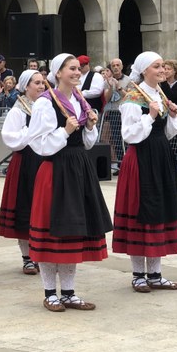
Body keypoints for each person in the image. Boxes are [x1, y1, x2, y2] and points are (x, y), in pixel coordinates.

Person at [28, 53, 112, 312]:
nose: (77, 72)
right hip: (56, 169)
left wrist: (88, 128)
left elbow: (87, 143)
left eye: (78, 69)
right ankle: (49, 292)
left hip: (78, 167)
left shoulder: (79, 100)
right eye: (72, 69)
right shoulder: (45, 103)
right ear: (59, 73)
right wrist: (65, 131)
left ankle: (68, 292)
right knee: (52, 231)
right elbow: (38, 143)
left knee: (73, 232)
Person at [113, 51, 177, 294]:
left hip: (160, 156)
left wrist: (173, 115)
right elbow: (130, 135)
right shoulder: (133, 98)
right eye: (157, 66)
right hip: (141, 158)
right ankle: (138, 275)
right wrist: (151, 117)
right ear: (145, 70)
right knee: (141, 213)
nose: (162, 70)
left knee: (159, 214)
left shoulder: (159, 93)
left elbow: (168, 132)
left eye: (163, 66)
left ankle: (155, 274)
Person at [0, 69, 46, 275]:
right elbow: (10, 138)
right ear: (26, 86)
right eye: (36, 83)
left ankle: (42, 253)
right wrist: (31, 131)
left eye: (43, 82)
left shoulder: (47, 107)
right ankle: (27, 257)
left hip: (45, 160)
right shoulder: (18, 110)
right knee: (25, 208)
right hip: (26, 161)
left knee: (44, 209)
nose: (41, 86)